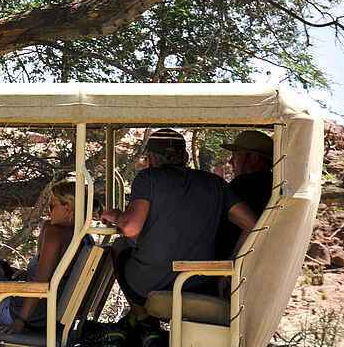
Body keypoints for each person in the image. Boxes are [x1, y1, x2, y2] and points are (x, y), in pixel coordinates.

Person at [98, 129, 256, 313]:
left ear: (150, 159)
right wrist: (232, 262)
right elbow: (253, 225)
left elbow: (131, 228)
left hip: (150, 285)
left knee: (120, 246)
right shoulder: (215, 183)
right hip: (200, 282)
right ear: (186, 157)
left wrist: (117, 216)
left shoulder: (148, 178)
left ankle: (141, 319)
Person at [0, 175, 78, 334]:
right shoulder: (84, 238)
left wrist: (19, 322)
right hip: (48, 315)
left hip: (25, 316)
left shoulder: (54, 232)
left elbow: (40, 283)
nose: (49, 213)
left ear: (68, 208)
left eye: (51, 207)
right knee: (3, 269)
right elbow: (54, 277)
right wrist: (27, 274)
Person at [212, 129, 273, 259]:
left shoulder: (244, 184)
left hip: (228, 264)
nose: (231, 161)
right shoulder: (273, 184)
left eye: (236, 155)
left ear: (253, 158)